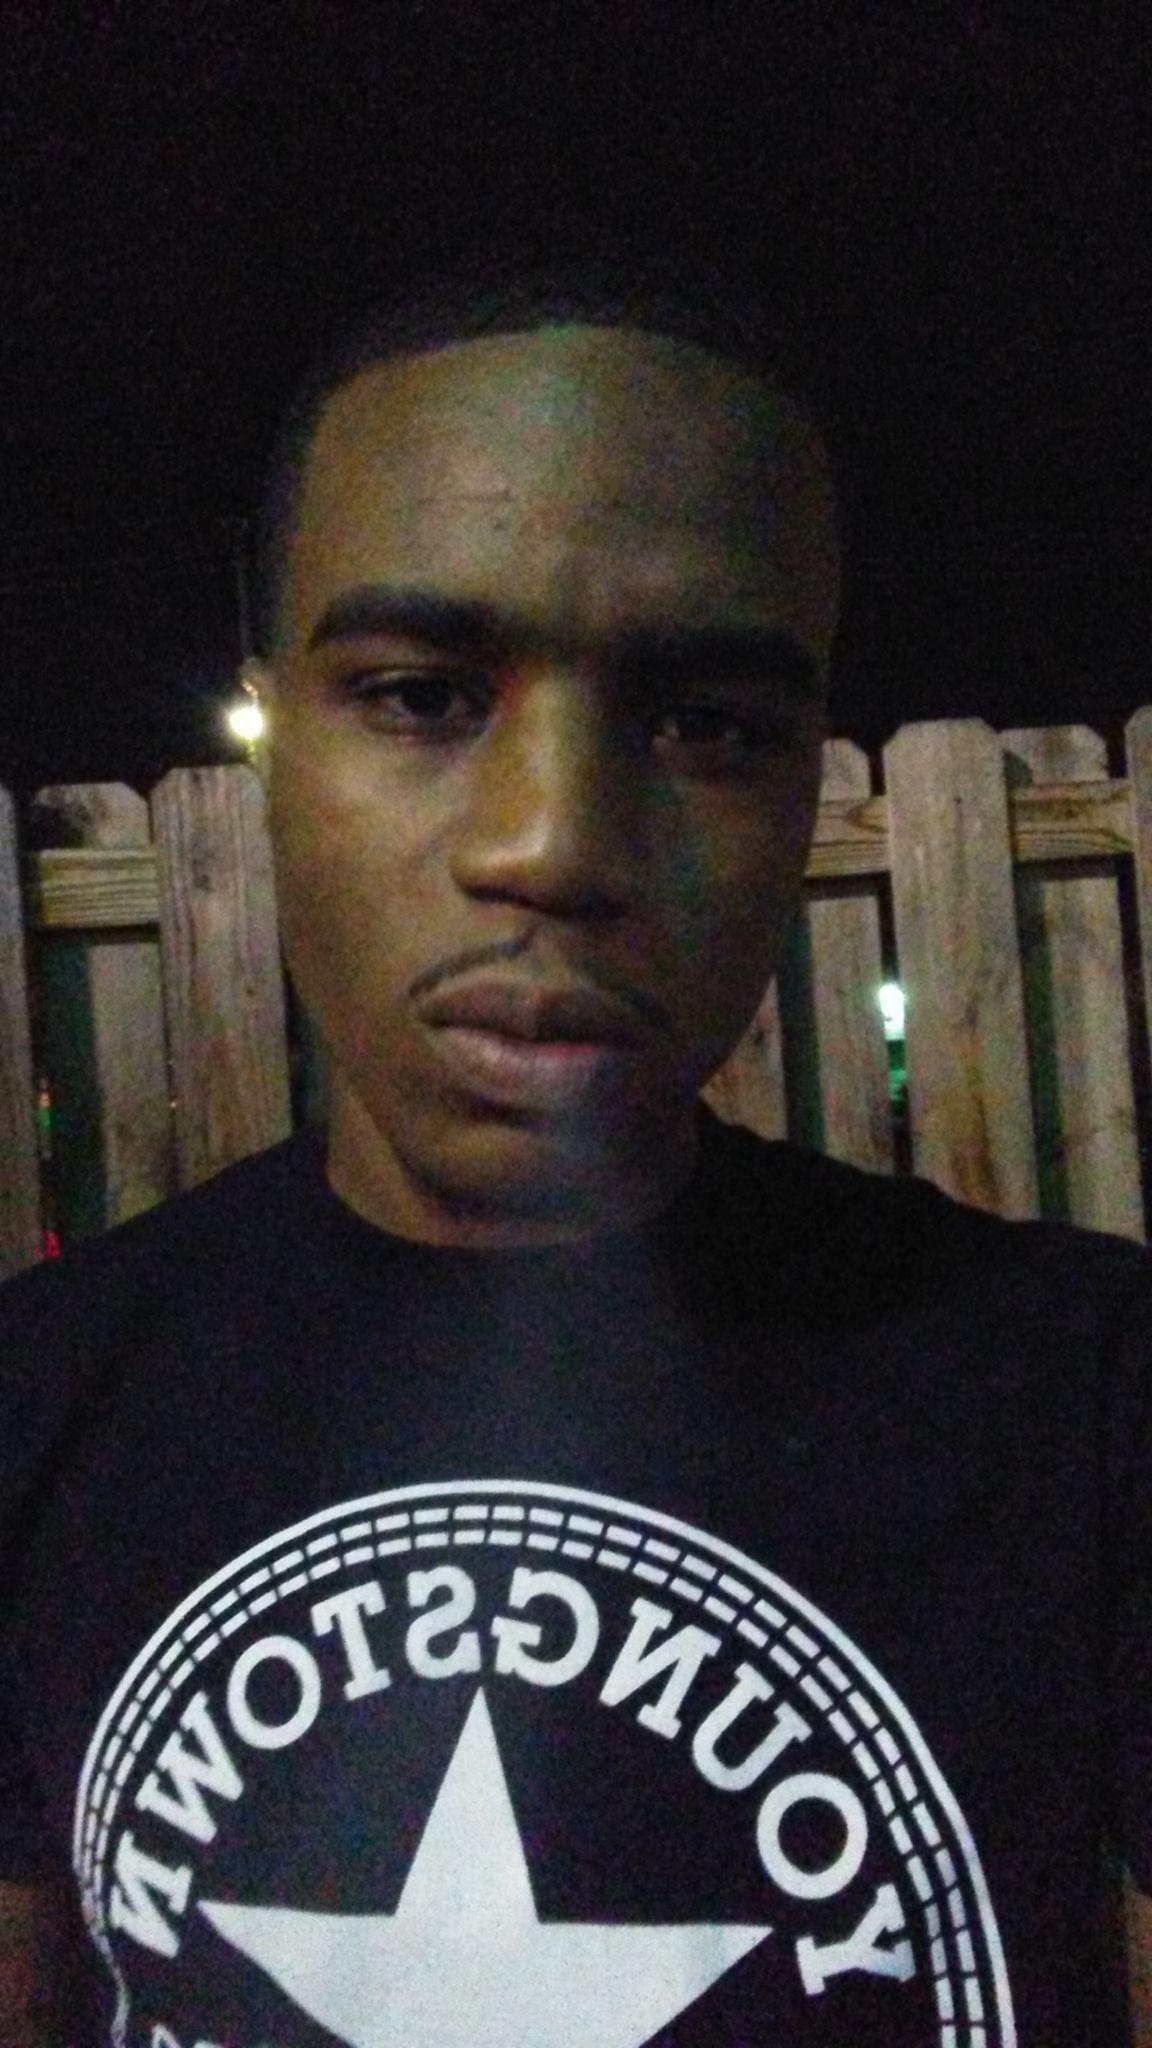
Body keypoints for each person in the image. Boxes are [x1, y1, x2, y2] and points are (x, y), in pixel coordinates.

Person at [0, 259, 1148, 2047]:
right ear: (271, 742)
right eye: (420, 694)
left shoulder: (1093, 1400)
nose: (553, 846)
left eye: (709, 725)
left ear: (806, 782)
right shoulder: (36, 1406)